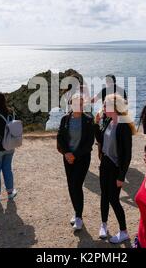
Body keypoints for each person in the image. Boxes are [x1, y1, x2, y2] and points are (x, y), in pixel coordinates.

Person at [94, 94, 137, 244]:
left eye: (106, 105)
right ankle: (104, 225)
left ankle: (124, 231)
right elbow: (100, 140)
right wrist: (96, 124)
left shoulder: (124, 126)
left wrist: (121, 176)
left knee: (114, 199)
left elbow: (127, 155)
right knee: (104, 196)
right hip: (104, 164)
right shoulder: (108, 121)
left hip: (115, 168)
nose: (103, 107)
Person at [57, 94, 95, 231]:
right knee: (71, 186)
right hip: (68, 158)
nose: (77, 106)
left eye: (79, 103)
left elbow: (89, 143)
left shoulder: (89, 120)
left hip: (82, 158)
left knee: (76, 185)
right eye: (74, 103)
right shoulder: (65, 119)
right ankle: (76, 211)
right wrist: (67, 153)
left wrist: (74, 155)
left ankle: (79, 216)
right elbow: (60, 138)